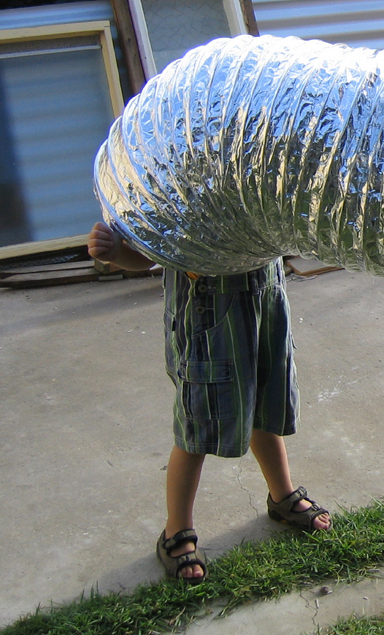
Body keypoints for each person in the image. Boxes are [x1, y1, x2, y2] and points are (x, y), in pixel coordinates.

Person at [88, 221, 331, 585]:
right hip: (206, 321)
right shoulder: (173, 178)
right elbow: (147, 257)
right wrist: (114, 252)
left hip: (265, 302)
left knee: (264, 409)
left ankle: (281, 496)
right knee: (196, 428)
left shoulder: (256, 169)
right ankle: (177, 531)